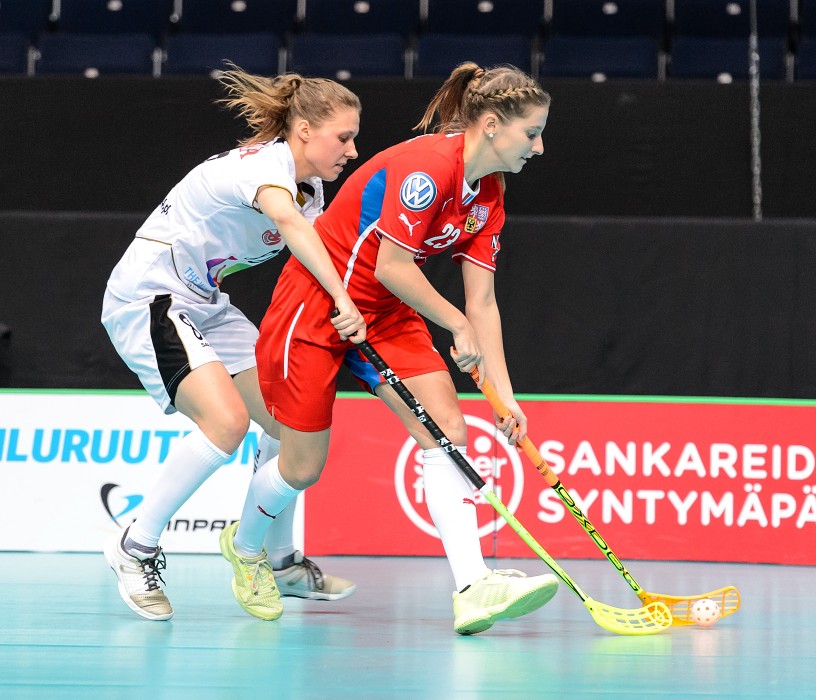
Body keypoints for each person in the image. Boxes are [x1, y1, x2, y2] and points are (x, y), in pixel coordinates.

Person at [237, 62, 559, 635]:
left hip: (385, 313)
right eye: (531, 133)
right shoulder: (428, 167)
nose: (539, 147)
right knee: (301, 467)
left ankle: (472, 586)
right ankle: (244, 547)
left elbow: (483, 304)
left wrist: (505, 399)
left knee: (448, 431)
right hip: (320, 302)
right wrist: (455, 323)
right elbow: (392, 264)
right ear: (490, 124)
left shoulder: (488, 195)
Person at [101, 66, 368, 622]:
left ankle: (281, 560)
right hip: (150, 296)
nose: (352, 149)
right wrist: (342, 300)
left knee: (288, 425)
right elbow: (292, 228)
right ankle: (135, 545)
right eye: (342, 137)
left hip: (206, 304)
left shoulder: (310, 189)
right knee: (224, 424)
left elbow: (323, 243)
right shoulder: (263, 167)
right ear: (302, 131)